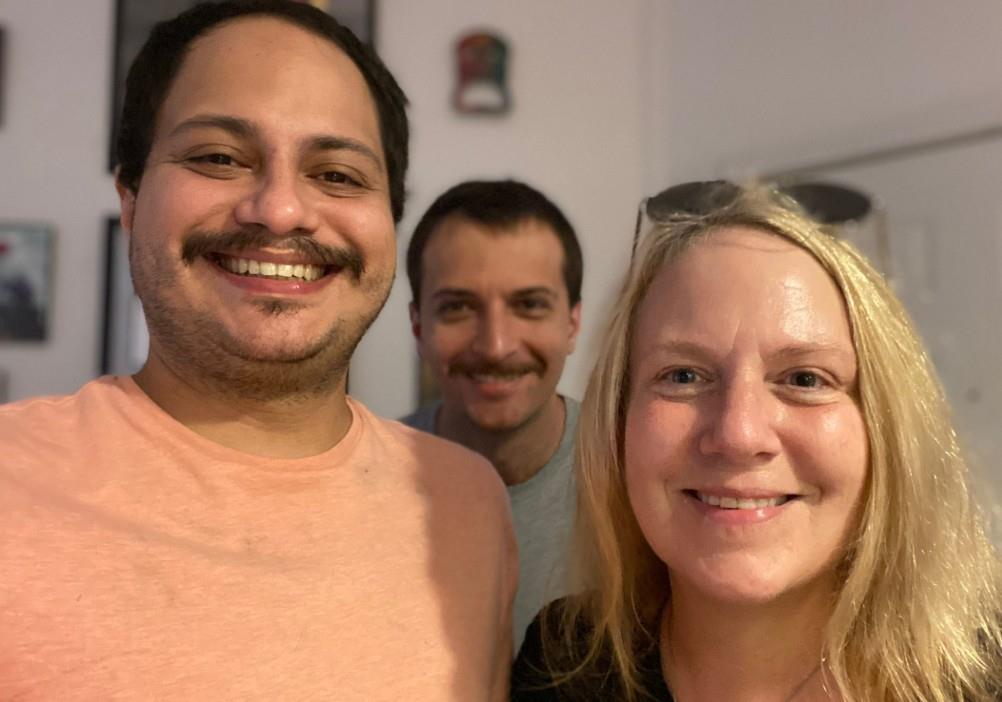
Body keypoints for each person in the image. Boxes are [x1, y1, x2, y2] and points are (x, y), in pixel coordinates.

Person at [0, 3, 517, 700]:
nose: (279, 210)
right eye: (219, 157)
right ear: (130, 196)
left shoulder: (467, 503)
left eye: (337, 174)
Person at [512, 182, 1002, 701]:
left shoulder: (981, 677)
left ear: (885, 427)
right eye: (682, 375)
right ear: (616, 421)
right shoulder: (566, 664)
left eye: (805, 379)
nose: (739, 435)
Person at [402, 179, 583, 652]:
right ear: (419, 327)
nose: (496, 345)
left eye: (529, 305)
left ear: (572, 325)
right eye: (458, 307)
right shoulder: (362, 481)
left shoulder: (638, 474)